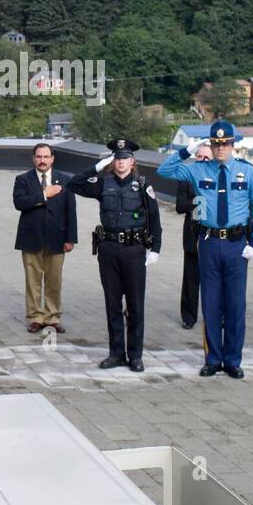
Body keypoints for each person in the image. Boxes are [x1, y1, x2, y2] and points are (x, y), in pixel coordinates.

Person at [157, 121, 253, 380]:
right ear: (210, 145)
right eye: (216, 144)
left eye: (225, 144)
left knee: (235, 305)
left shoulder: (247, 172)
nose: (220, 148)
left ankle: (232, 360)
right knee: (211, 303)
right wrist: (186, 151)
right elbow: (165, 169)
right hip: (208, 242)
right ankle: (212, 358)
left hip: (237, 245)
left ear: (232, 144)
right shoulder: (197, 170)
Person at [67, 138, 161, 372]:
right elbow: (73, 184)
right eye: (117, 158)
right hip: (108, 250)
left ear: (132, 161)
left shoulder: (142, 184)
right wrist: (97, 167)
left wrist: (155, 249)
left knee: (135, 304)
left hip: (134, 250)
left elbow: (155, 219)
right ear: (113, 160)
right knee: (112, 304)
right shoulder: (103, 183)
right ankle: (116, 353)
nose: (121, 162)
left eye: (124, 158)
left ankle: (135, 355)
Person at [12, 143, 78, 333]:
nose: (42, 160)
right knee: (32, 281)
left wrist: (70, 238)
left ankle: (52, 316)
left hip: (57, 238)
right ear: (34, 159)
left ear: (52, 159)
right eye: (39, 157)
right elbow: (19, 203)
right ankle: (35, 317)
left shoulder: (64, 180)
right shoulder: (23, 179)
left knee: (54, 280)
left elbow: (70, 211)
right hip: (31, 237)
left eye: (46, 157)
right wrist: (43, 195)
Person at [174, 141, 212, 329]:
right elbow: (180, 206)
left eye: (207, 157)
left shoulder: (219, 177)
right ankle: (189, 316)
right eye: (200, 156)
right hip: (193, 232)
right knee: (191, 278)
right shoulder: (187, 177)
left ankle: (214, 316)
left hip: (213, 235)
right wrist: (200, 202)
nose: (203, 160)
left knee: (213, 279)